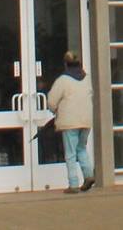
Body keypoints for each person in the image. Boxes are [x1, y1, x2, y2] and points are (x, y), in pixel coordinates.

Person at [48, 51, 95, 193]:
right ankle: (89, 175)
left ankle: (73, 184)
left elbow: (52, 101)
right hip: (86, 120)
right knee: (81, 148)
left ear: (65, 64)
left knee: (70, 153)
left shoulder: (63, 80)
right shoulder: (87, 78)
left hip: (69, 122)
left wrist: (54, 110)